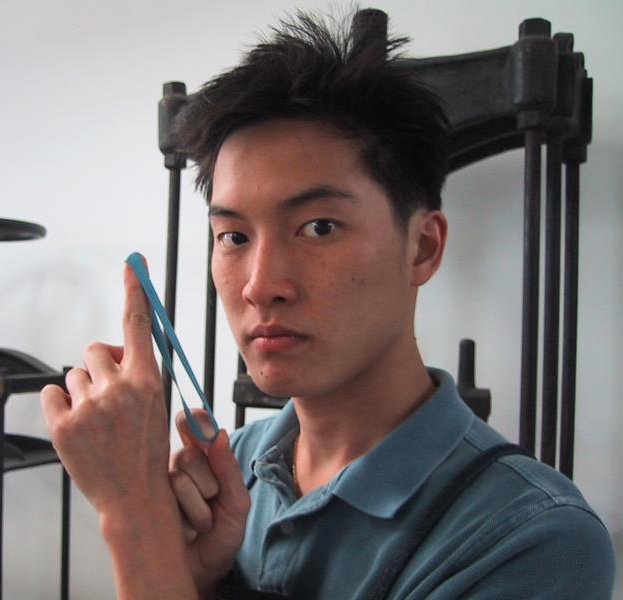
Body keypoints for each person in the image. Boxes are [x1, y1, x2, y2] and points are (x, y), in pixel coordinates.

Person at [41, 8, 615, 599]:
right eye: (233, 236)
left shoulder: (533, 540)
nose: (260, 285)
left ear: (422, 247)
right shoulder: (233, 468)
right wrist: (197, 576)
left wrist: (136, 519)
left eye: (318, 227)